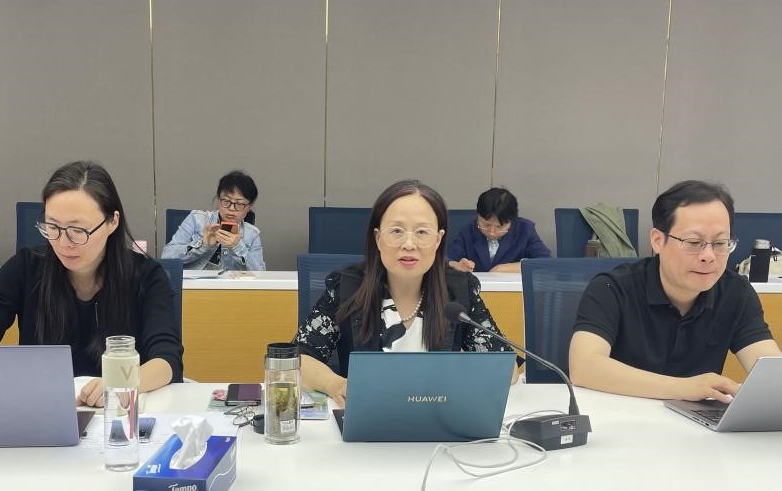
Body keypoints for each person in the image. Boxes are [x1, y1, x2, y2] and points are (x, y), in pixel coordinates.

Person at [0, 161, 184, 407]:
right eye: (52, 227)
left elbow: (167, 361)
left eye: (78, 230)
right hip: (42, 412)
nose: (64, 243)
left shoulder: (146, 275)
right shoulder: (24, 269)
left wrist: (120, 381)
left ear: (112, 222)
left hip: (121, 412)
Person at [293, 180, 520, 408]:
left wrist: (453, 381)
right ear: (377, 238)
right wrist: (337, 385)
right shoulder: (347, 287)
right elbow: (296, 360)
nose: (409, 244)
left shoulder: (459, 289)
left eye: (421, 232)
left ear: (438, 239)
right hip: (368, 418)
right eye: (396, 231)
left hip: (438, 420)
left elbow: (506, 368)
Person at [569, 180, 781, 401]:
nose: (709, 256)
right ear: (658, 241)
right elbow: (584, 367)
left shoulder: (736, 293)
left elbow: (771, 370)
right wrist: (682, 388)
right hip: (619, 413)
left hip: (694, 421)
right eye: (694, 242)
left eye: (720, 243)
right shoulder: (612, 288)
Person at [162, 170, 265, 271]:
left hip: (230, 283)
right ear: (218, 200)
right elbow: (166, 257)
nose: (231, 208)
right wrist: (203, 245)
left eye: (239, 204)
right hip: (192, 282)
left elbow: (260, 273)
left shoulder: (252, 234)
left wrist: (238, 247)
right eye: (226, 201)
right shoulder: (196, 219)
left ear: (249, 207)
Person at [448, 187, 550, 273]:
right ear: (478, 215)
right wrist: (456, 265)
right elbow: (447, 260)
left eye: (499, 227)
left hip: (512, 289)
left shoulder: (525, 230)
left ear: (512, 221)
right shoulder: (468, 231)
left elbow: (546, 263)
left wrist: (506, 268)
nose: (492, 232)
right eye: (486, 225)